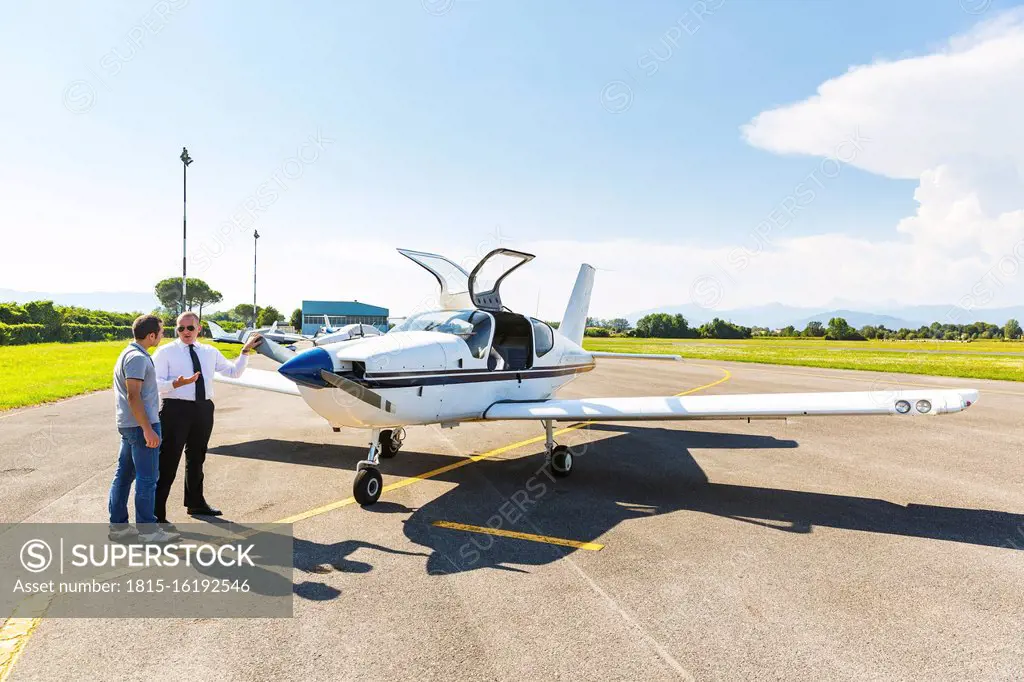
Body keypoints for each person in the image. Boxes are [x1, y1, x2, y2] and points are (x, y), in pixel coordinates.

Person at [153, 311, 262, 528]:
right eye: (180, 328)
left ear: (199, 329)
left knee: (197, 457)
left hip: (203, 408)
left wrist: (245, 351)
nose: (185, 332)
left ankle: (195, 503)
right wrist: (176, 383)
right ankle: (157, 513)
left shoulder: (209, 352)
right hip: (175, 408)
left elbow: (233, 372)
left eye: (190, 328)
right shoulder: (165, 352)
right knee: (168, 461)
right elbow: (154, 383)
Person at [109, 315, 192, 544]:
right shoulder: (137, 358)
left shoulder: (129, 353)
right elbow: (133, 395)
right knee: (148, 479)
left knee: (124, 476)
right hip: (139, 425)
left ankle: (118, 527)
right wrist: (147, 429)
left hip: (130, 425)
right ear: (151, 335)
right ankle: (148, 531)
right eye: (161, 331)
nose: (164, 334)